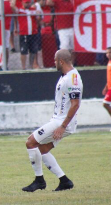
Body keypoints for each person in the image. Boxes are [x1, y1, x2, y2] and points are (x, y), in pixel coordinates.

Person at [22, 49, 82, 192]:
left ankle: (39, 181)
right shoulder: (65, 76)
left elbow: (75, 104)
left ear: (61, 61)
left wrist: (62, 126)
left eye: (55, 60)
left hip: (61, 122)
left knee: (30, 142)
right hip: (59, 120)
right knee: (42, 149)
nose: (54, 63)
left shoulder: (72, 78)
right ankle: (64, 181)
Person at [11, 0, 40, 70]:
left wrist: (38, 14)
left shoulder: (33, 9)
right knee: (23, 51)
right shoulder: (20, 10)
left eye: (28, 2)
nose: (28, 4)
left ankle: (31, 66)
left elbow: (38, 18)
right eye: (26, 2)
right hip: (24, 33)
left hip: (33, 33)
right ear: (23, 3)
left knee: (33, 51)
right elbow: (12, 6)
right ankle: (23, 67)